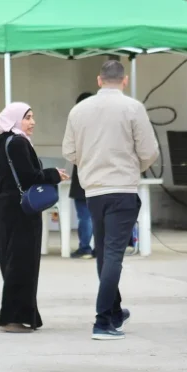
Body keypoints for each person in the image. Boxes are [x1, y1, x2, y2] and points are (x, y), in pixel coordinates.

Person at [62, 60, 159, 340]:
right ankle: (102, 320)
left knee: (104, 253)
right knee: (114, 255)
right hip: (122, 187)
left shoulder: (79, 110)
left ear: (99, 80)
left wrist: (90, 164)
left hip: (94, 190)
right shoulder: (133, 108)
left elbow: (69, 152)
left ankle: (114, 310)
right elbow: (149, 151)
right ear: (124, 80)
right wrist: (133, 167)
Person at [0, 102, 68, 333]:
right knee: (22, 263)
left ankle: (25, 315)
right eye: (27, 117)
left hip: (3, 208)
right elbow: (29, 176)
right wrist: (53, 174)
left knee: (13, 261)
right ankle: (13, 318)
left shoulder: (2, 142)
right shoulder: (18, 143)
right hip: (19, 210)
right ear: (15, 119)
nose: (32, 122)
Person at [69, 92, 95, 260]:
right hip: (101, 177)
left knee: (84, 216)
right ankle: (100, 248)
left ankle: (85, 248)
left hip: (82, 176)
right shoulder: (104, 125)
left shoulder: (77, 125)